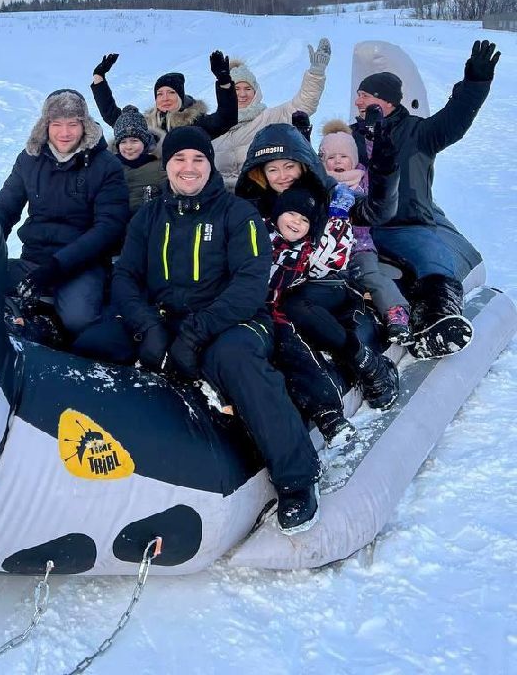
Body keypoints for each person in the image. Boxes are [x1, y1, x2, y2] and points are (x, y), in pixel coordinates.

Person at [110, 125, 322, 535]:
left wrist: (195, 333)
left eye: (198, 159)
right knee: (97, 341)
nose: (188, 168)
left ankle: (297, 476)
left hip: (232, 320)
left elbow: (250, 284)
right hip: (165, 318)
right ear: (166, 166)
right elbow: (125, 277)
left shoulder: (237, 214)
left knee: (234, 359)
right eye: (179, 159)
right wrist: (147, 326)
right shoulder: (148, 217)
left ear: (210, 165)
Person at [350, 40, 501, 358]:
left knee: (434, 259)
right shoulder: (350, 136)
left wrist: (475, 83)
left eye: (365, 95)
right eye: (358, 95)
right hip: (361, 224)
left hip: (406, 224)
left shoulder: (419, 132)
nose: (357, 101)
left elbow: (455, 119)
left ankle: (437, 321)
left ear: (386, 101)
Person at [236, 123, 399, 411]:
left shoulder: (330, 194)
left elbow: (377, 211)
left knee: (295, 306)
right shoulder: (254, 203)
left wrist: (385, 171)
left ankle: (366, 362)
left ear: (303, 165)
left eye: (289, 166)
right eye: (273, 169)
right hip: (277, 284)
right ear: (260, 172)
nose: (282, 176)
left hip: (326, 281)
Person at [0, 88, 128, 350]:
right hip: (33, 260)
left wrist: (56, 267)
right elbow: (4, 208)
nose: (64, 133)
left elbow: (109, 227)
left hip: (81, 265)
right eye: (57, 124)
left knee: (79, 320)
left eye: (72, 124)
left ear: (84, 125)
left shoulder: (106, 165)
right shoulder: (29, 159)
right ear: (46, 125)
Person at [266, 186, 357, 448]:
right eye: (291, 214)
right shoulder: (257, 235)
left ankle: (328, 414)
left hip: (273, 314)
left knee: (296, 352)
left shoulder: (306, 250)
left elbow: (333, 258)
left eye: (304, 219)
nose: (296, 222)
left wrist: (338, 219)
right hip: (244, 308)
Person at [319, 120, 410, 344]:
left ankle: (396, 312)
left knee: (371, 276)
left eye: (343, 156)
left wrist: (372, 140)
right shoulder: (320, 181)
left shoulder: (363, 177)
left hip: (359, 247)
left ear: (353, 158)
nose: (337, 161)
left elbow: (379, 167)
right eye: (331, 157)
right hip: (326, 249)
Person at [211, 39, 331, 190]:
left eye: (248, 88)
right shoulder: (214, 125)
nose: (242, 94)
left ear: (256, 92)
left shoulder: (269, 118)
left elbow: (303, 104)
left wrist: (316, 73)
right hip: (219, 195)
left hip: (256, 192)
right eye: (236, 89)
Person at [90, 51, 238, 149]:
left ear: (181, 97)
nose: (165, 98)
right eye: (159, 94)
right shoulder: (146, 124)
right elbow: (113, 116)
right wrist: (99, 77)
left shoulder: (197, 122)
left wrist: (224, 82)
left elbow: (226, 119)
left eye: (171, 92)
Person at [110, 105, 166, 216]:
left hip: (149, 221)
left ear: (145, 142)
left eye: (134, 141)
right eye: (123, 142)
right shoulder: (110, 168)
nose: (129, 147)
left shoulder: (159, 167)